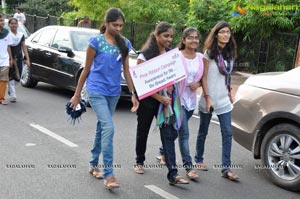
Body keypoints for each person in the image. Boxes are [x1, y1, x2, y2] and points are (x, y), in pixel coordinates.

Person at [70, 7, 139, 189]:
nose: (118, 28)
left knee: (102, 127)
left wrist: (133, 94)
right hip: (96, 90)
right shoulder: (96, 42)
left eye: (121, 25)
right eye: (115, 25)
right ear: (106, 23)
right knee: (108, 127)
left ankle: (93, 164)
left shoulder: (124, 43)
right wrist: (77, 95)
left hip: (114, 92)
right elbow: (86, 70)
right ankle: (109, 174)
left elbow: (126, 71)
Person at [157, 27, 203, 180]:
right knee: (184, 133)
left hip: (191, 102)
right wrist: (169, 85)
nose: (194, 40)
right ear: (184, 40)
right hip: (177, 100)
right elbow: (166, 72)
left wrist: (199, 84)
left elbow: (204, 77)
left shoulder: (201, 58)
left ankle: (163, 150)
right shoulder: (176, 56)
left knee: (176, 131)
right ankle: (189, 167)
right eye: (190, 37)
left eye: (196, 37)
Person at [195, 21, 239, 180]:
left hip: (223, 100)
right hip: (209, 98)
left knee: (227, 133)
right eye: (222, 32)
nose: (226, 35)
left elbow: (227, 75)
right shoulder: (208, 53)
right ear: (216, 34)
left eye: (228, 32)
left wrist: (229, 92)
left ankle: (226, 168)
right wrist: (207, 98)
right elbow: (204, 78)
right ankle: (198, 159)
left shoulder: (230, 53)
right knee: (203, 131)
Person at [133, 22, 174, 174]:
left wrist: (171, 86)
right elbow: (140, 82)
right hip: (148, 101)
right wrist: (159, 98)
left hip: (165, 101)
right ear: (156, 35)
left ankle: (168, 159)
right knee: (143, 130)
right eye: (165, 36)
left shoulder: (170, 53)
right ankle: (139, 161)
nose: (168, 39)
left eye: (171, 36)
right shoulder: (145, 55)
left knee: (169, 131)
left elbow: (172, 74)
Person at [7, 18, 30, 103]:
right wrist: (10, 59)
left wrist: (27, 58)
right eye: (12, 23)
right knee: (11, 76)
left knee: (18, 77)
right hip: (10, 58)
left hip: (19, 58)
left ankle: (10, 87)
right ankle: (13, 95)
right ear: (9, 25)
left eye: (15, 23)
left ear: (17, 24)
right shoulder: (7, 35)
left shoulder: (21, 35)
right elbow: (8, 46)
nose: (14, 25)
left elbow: (24, 47)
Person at [0, 14, 13, 105]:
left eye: (3, 21)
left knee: (4, 79)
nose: (3, 22)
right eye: (1, 21)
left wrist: (11, 58)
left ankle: (1, 97)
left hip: (4, 60)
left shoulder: (7, 33)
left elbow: (8, 46)